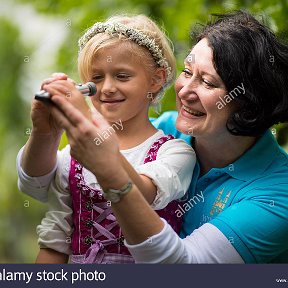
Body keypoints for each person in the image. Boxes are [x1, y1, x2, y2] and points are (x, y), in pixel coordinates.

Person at [42, 10, 288, 263]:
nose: (184, 91)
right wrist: (45, 132)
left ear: (249, 104)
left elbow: (183, 269)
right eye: (187, 72)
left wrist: (111, 168)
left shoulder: (277, 195)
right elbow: (52, 185)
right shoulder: (164, 130)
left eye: (208, 82)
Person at [16, 15, 195, 263]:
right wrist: (45, 131)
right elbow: (34, 186)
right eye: (97, 78)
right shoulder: (74, 154)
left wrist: (90, 129)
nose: (107, 88)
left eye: (122, 76)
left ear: (156, 79)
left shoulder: (175, 153)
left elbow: (141, 194)